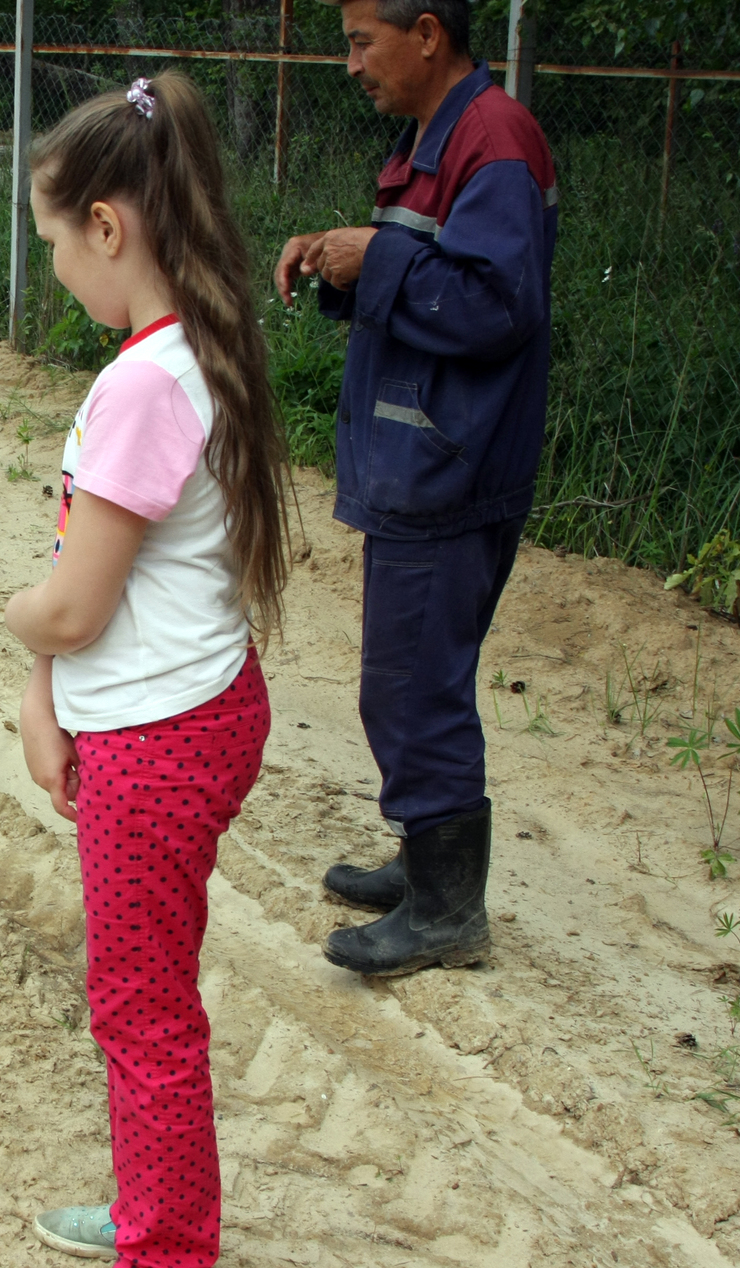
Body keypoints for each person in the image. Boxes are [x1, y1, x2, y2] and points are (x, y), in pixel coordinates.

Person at [3, 70, 290, 1268]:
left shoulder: (138, 387)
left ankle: (167, 1261)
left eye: (53, 242)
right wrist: (46, 688)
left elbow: (69, 605)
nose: (54, 265)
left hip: (158, 743)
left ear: (108, 228)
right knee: (140, 988)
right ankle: (146, 1202)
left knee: (139, 1002)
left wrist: (21, 633)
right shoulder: (184, 352)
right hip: (192, 710)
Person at [274, 0, 558, 977]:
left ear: (425, 32)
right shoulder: (435, 139)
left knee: (410, 685)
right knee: (410, 678)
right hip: (422, 452)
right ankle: (424, 864)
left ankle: (445, 910)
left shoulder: (493, 142)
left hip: (452, 462)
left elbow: (494, 304)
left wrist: (377, 256)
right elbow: (429, 273)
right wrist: (338, 259)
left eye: (361, 40)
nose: (349, 62)